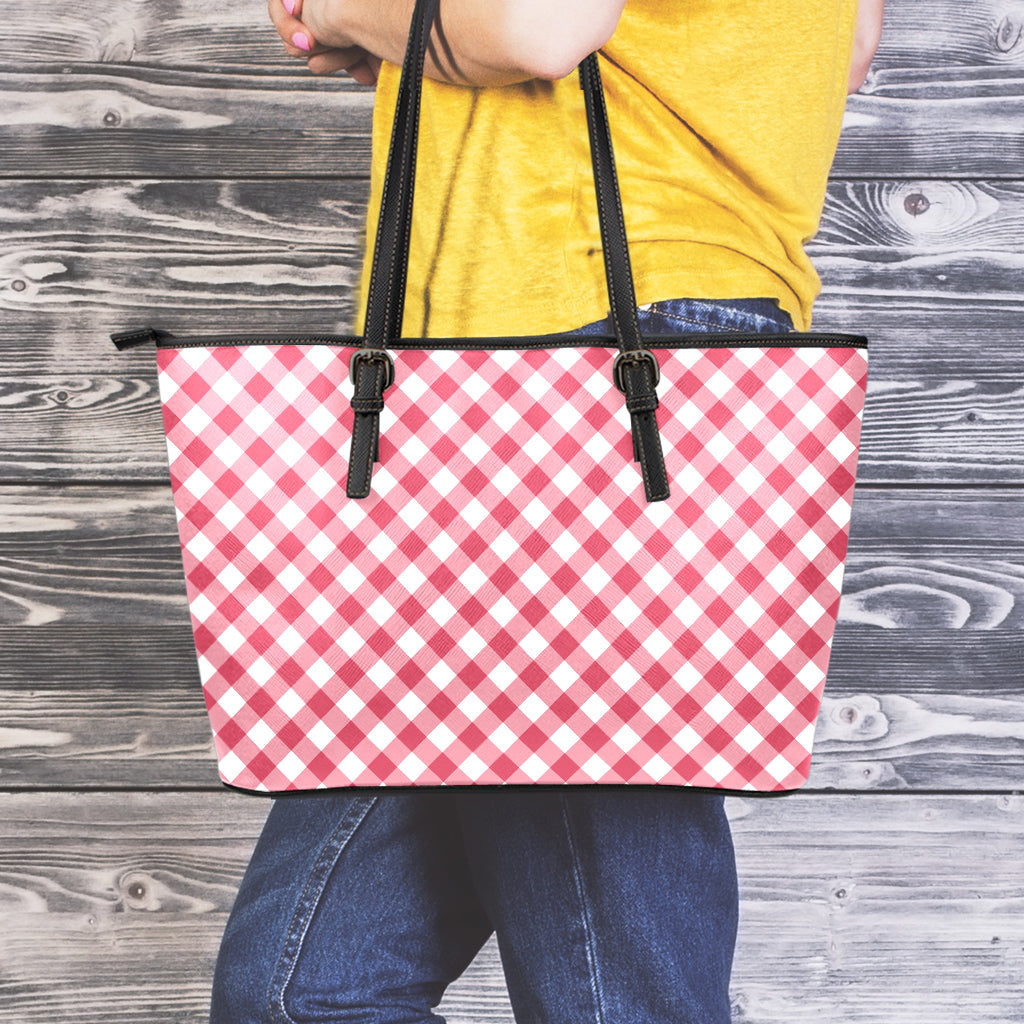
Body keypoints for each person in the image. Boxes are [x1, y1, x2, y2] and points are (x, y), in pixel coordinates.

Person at [210, 2, 884, 1022]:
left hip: (582, 344)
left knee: (608, 997)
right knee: (302, 993)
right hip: (540, 369)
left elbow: (533, 28)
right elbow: (837, 48)